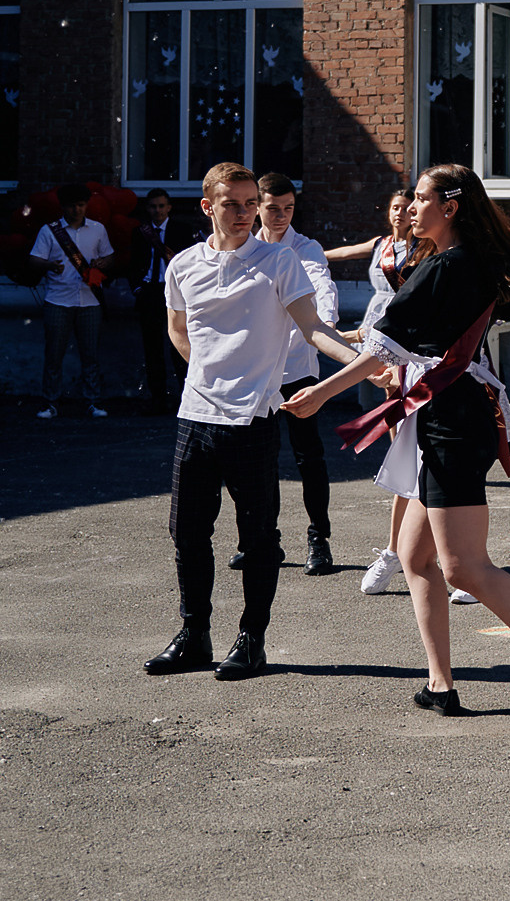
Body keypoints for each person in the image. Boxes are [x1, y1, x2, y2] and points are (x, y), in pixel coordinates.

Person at [280, 165, 510, 723]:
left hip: (453, 423)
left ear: (451, 206)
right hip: (442, 415)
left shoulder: (450, 264)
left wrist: (322, 391)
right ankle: (441, 684)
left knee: (462, 567)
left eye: (421, 198)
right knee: (414, 557)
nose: (410, 208)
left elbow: (386, 345)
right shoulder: (457, 263)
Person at [144, 164, 366, 683]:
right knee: (188, 534)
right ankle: (194, 635)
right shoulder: (182, 266)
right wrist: (206, 372)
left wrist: (361, 369)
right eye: (232, 204)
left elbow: (313, 328)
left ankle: (251, 639)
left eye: (250, 204)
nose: (244, 214)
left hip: (254, 420)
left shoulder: (279, 260)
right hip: (195, 418)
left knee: (258, 538)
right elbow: (178, 329)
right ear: (208, 207)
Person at [326, 189, 430, 596]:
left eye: (411, 207)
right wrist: (308, 254)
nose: (404, 213)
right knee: (403, 456)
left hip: (414, 351)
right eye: (398, 207)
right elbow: (346, 253)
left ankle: (454, 558)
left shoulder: (427, 253)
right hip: (382, 337)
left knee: (434, 467)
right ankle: (394, 551)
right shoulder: (381, 245)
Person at [237, 173, 341, 576]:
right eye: (273, 208)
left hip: (298, 366)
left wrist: (326, 324)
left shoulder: (305, 248)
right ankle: (262, 538)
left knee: (307, 456)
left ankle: (319, 539)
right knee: (257, 459)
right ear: (258, 206)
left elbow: (321, 284)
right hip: (257, 370)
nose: (281, 216)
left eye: (289, 209)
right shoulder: (243, 247)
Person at [28, 183, 113, 420]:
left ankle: (93, 401)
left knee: (90, 355)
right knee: (54, 354)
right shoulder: (49, 231)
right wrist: (49, 265)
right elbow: (34, 260)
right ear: (63, 206)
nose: (77, 210)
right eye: (72, 206)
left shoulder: (98, 229)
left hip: (90, 301)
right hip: (58, 300)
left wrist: (103, 264)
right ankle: (50, 402)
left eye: (81, 205)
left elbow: (109, 256)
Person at [130, 188, 193, 416]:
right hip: (150, 294)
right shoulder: (140, 233)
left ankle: (186, 399)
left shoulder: (182, 231)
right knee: (153, 350)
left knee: (179, 349)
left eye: (161, 206)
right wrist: (137, 288)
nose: (157, 210)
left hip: (175, 295)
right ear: (148, 209)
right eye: (153, 206)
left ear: (169, 207)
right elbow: (134, 263)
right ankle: (158, 400)